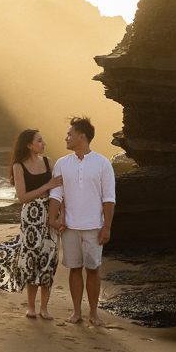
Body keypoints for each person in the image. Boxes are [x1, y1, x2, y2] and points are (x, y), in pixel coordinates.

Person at [0, 129, 63, 319]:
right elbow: (23, 197)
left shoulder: (48, 162)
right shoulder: (19, 166)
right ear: (29, 144)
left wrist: (62, 214)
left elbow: (60, 191)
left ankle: (44, 308)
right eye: (40, 141)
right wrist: (46, 186)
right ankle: (31, 307)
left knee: (49, 258)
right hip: (31, 216)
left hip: (50, 212)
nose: (44, 143)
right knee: (31, 258)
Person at [48, 116, 115, 326]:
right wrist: (53, 219)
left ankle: (93, 313)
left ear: (81, 136)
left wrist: (107, 227)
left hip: (94, 226)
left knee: (93, 269)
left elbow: (109, 198)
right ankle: (76, 312)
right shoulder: (61, 163)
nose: (66, 137)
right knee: (74, 268)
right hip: (69, 227)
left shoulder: (103, 163)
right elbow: (56, 194)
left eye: (70, 134)